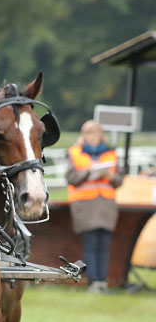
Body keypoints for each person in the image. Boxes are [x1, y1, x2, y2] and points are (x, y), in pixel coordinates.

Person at [66, 120, 125, 293]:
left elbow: (119, 179)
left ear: (101, 135)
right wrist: (88, 173)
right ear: (84, 136)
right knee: (91, 245)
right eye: (89, 134)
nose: (93, 137)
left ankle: (102, 281)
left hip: (106, 206)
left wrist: (109, 175)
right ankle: (92, 282)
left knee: (104, 246)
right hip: (85, 206)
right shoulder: (74, 153)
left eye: (96, 133)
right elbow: (71, 177)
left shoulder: (111, 154)